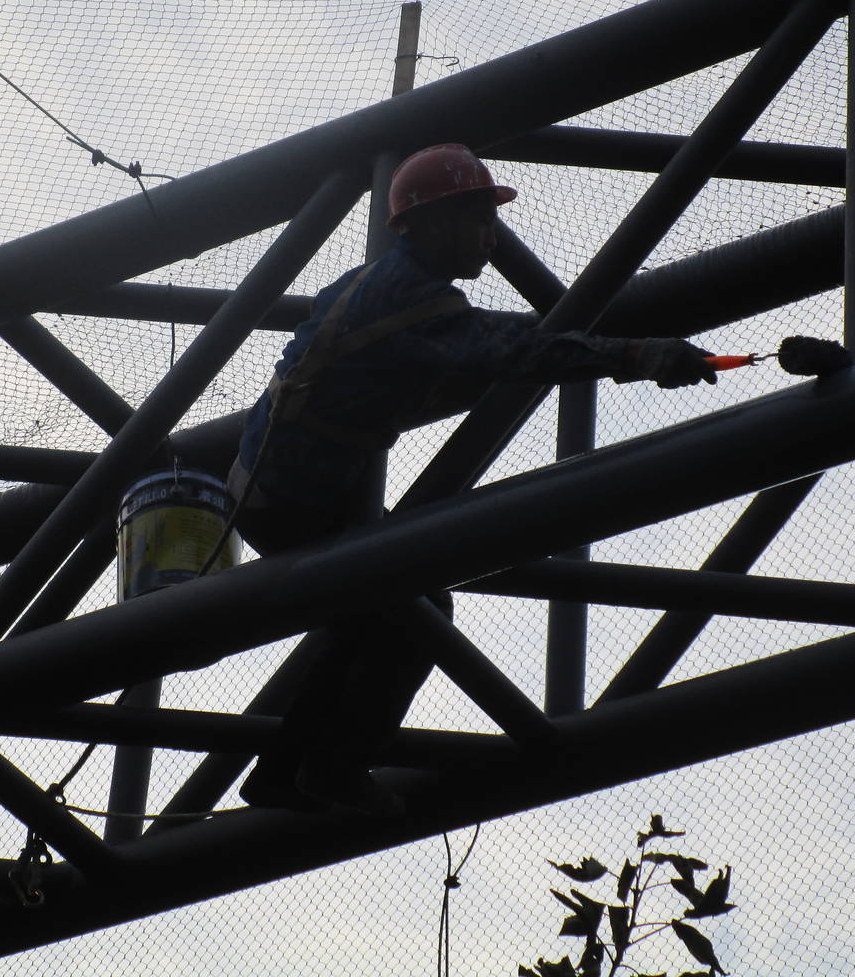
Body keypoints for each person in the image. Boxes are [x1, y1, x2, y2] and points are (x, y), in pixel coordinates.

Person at [231, 142, 716, 814]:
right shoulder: (409, 301)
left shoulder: (370, 285)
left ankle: (282, 773)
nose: (490, 238)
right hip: (295, 500)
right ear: (425, 225)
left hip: (273, 486)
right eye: (476, 220)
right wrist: (635, 353)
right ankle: (330, 775)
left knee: (369, 622)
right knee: (418, 613)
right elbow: (515, 348)